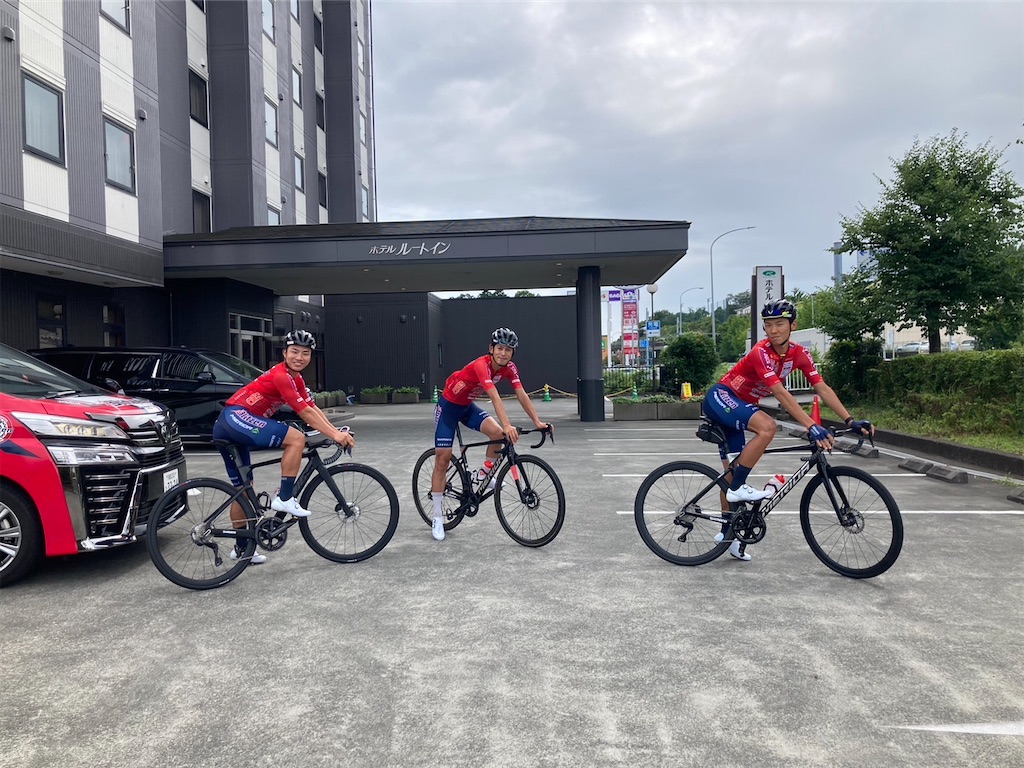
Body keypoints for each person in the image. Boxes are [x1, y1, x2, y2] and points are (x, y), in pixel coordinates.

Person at [702, 299, 873, 561]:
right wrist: (811, 425)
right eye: (768, 325)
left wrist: (850, 421)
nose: (773, 330)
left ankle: (730, 534)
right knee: (767, 427)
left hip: (741, 405)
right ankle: (738, 489)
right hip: (722, 397)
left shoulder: (800, 354)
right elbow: (780, 393)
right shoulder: (760, 352)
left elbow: (822, 388)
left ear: (793, 325)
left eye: (779, 324)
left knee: (732, 474)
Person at [212, 329, 355, 564]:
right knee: (296, 439)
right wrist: (335, 435)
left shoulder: (295, 378)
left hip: (229, 423)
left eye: (305, 353)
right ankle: (285, 496)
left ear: (311, 356)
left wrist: (335, 431)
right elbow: (305, 413)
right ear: (285, 353)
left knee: (243, 491)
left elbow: (313, 408)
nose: (299, 357)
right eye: (294, 351)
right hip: (237, 417)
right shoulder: (281, 376)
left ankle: (241, 549)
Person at [429, 327, 552, 541]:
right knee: (443, 459)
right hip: (448, 408)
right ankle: (437, 517)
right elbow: (494, 397)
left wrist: (538, 422)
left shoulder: (509, 368)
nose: (503, 353)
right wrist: (508, 425)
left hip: (467, 407)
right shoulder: (481, 365)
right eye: (500, 348)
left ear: (512, 353)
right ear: (491, 349)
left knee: (497, 434)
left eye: (508, 350)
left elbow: (521, 394)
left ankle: (484, 473)